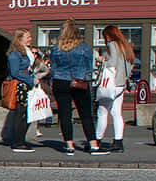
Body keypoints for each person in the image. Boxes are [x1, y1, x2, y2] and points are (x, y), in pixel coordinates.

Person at [50, 20, 98, 155]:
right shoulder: (84, 47)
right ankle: (93, 144)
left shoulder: (56, 48)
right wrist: (85, 78)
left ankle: (69, 145)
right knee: (85, 114)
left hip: (61, 81)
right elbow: (89, 66)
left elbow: (53, 68)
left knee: (65, 114)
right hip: (79, 81)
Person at [95, 26, 136, 154]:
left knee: (102, 111)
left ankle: (97, 140)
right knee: (117, 113)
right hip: (121, 83)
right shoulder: (125, 46)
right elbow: (129, 65)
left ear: (108, 35)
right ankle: (118, 142)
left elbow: (111, 63)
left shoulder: (113, 44)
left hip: (111, 83)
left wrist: (100, 60)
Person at [3, 28, 37, 152]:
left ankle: (21, 140)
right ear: (19, 38)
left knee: (26, 114)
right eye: (27, 37)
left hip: (25, 86)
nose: (30, 39)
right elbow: (15, 72)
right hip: (19, 86)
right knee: (20, 114)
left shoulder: (24, 52)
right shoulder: (15, 54)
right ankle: (17, 142)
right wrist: (31, 80)